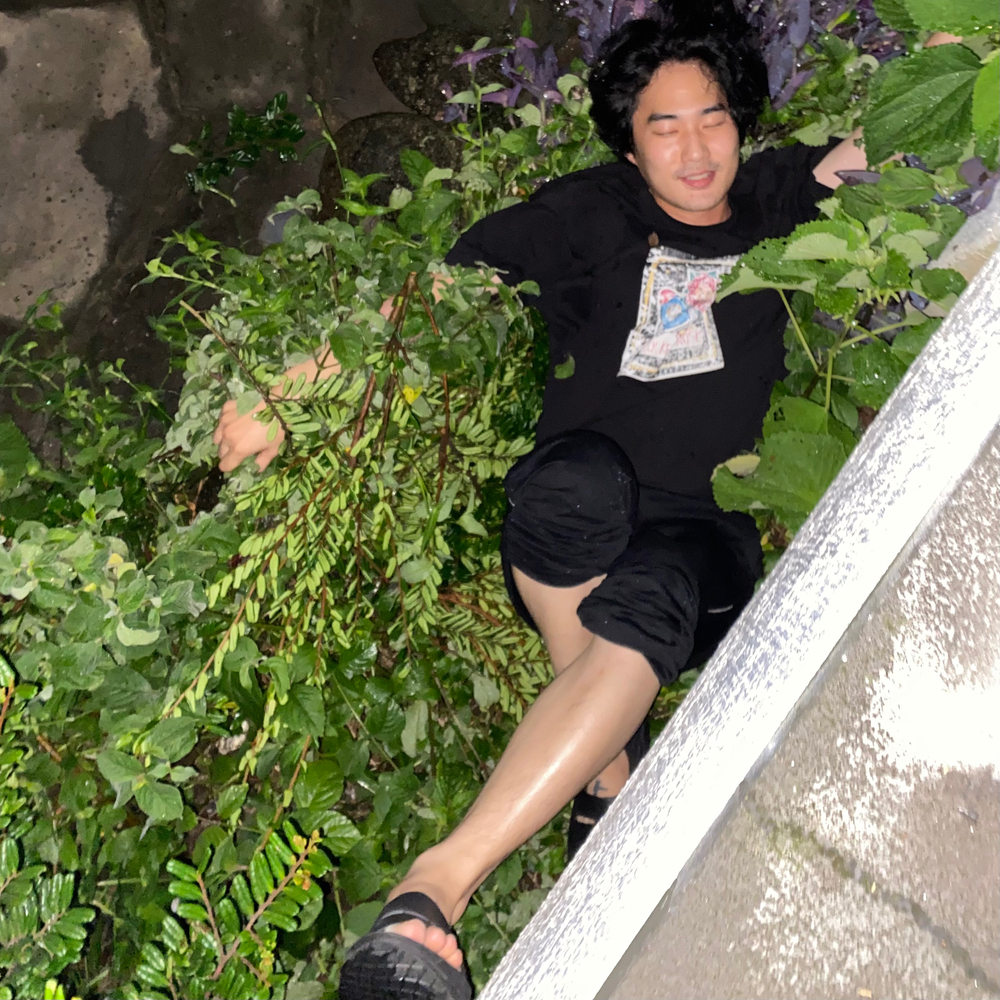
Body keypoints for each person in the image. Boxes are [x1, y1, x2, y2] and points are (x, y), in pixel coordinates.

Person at [213, 6, 958, 998]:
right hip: (569, 523)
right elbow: (446, 292)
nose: (696, 149)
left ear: (740, 121)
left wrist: (963, 44)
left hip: (703, 539)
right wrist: (301, 381)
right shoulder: (590, 213)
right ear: (629, 141)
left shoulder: (776, 196)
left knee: (658, 588)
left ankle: (440, 880)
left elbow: (892, 135)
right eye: (664, 125)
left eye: (714, 117)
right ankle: (605, 753)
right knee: (577, 482)